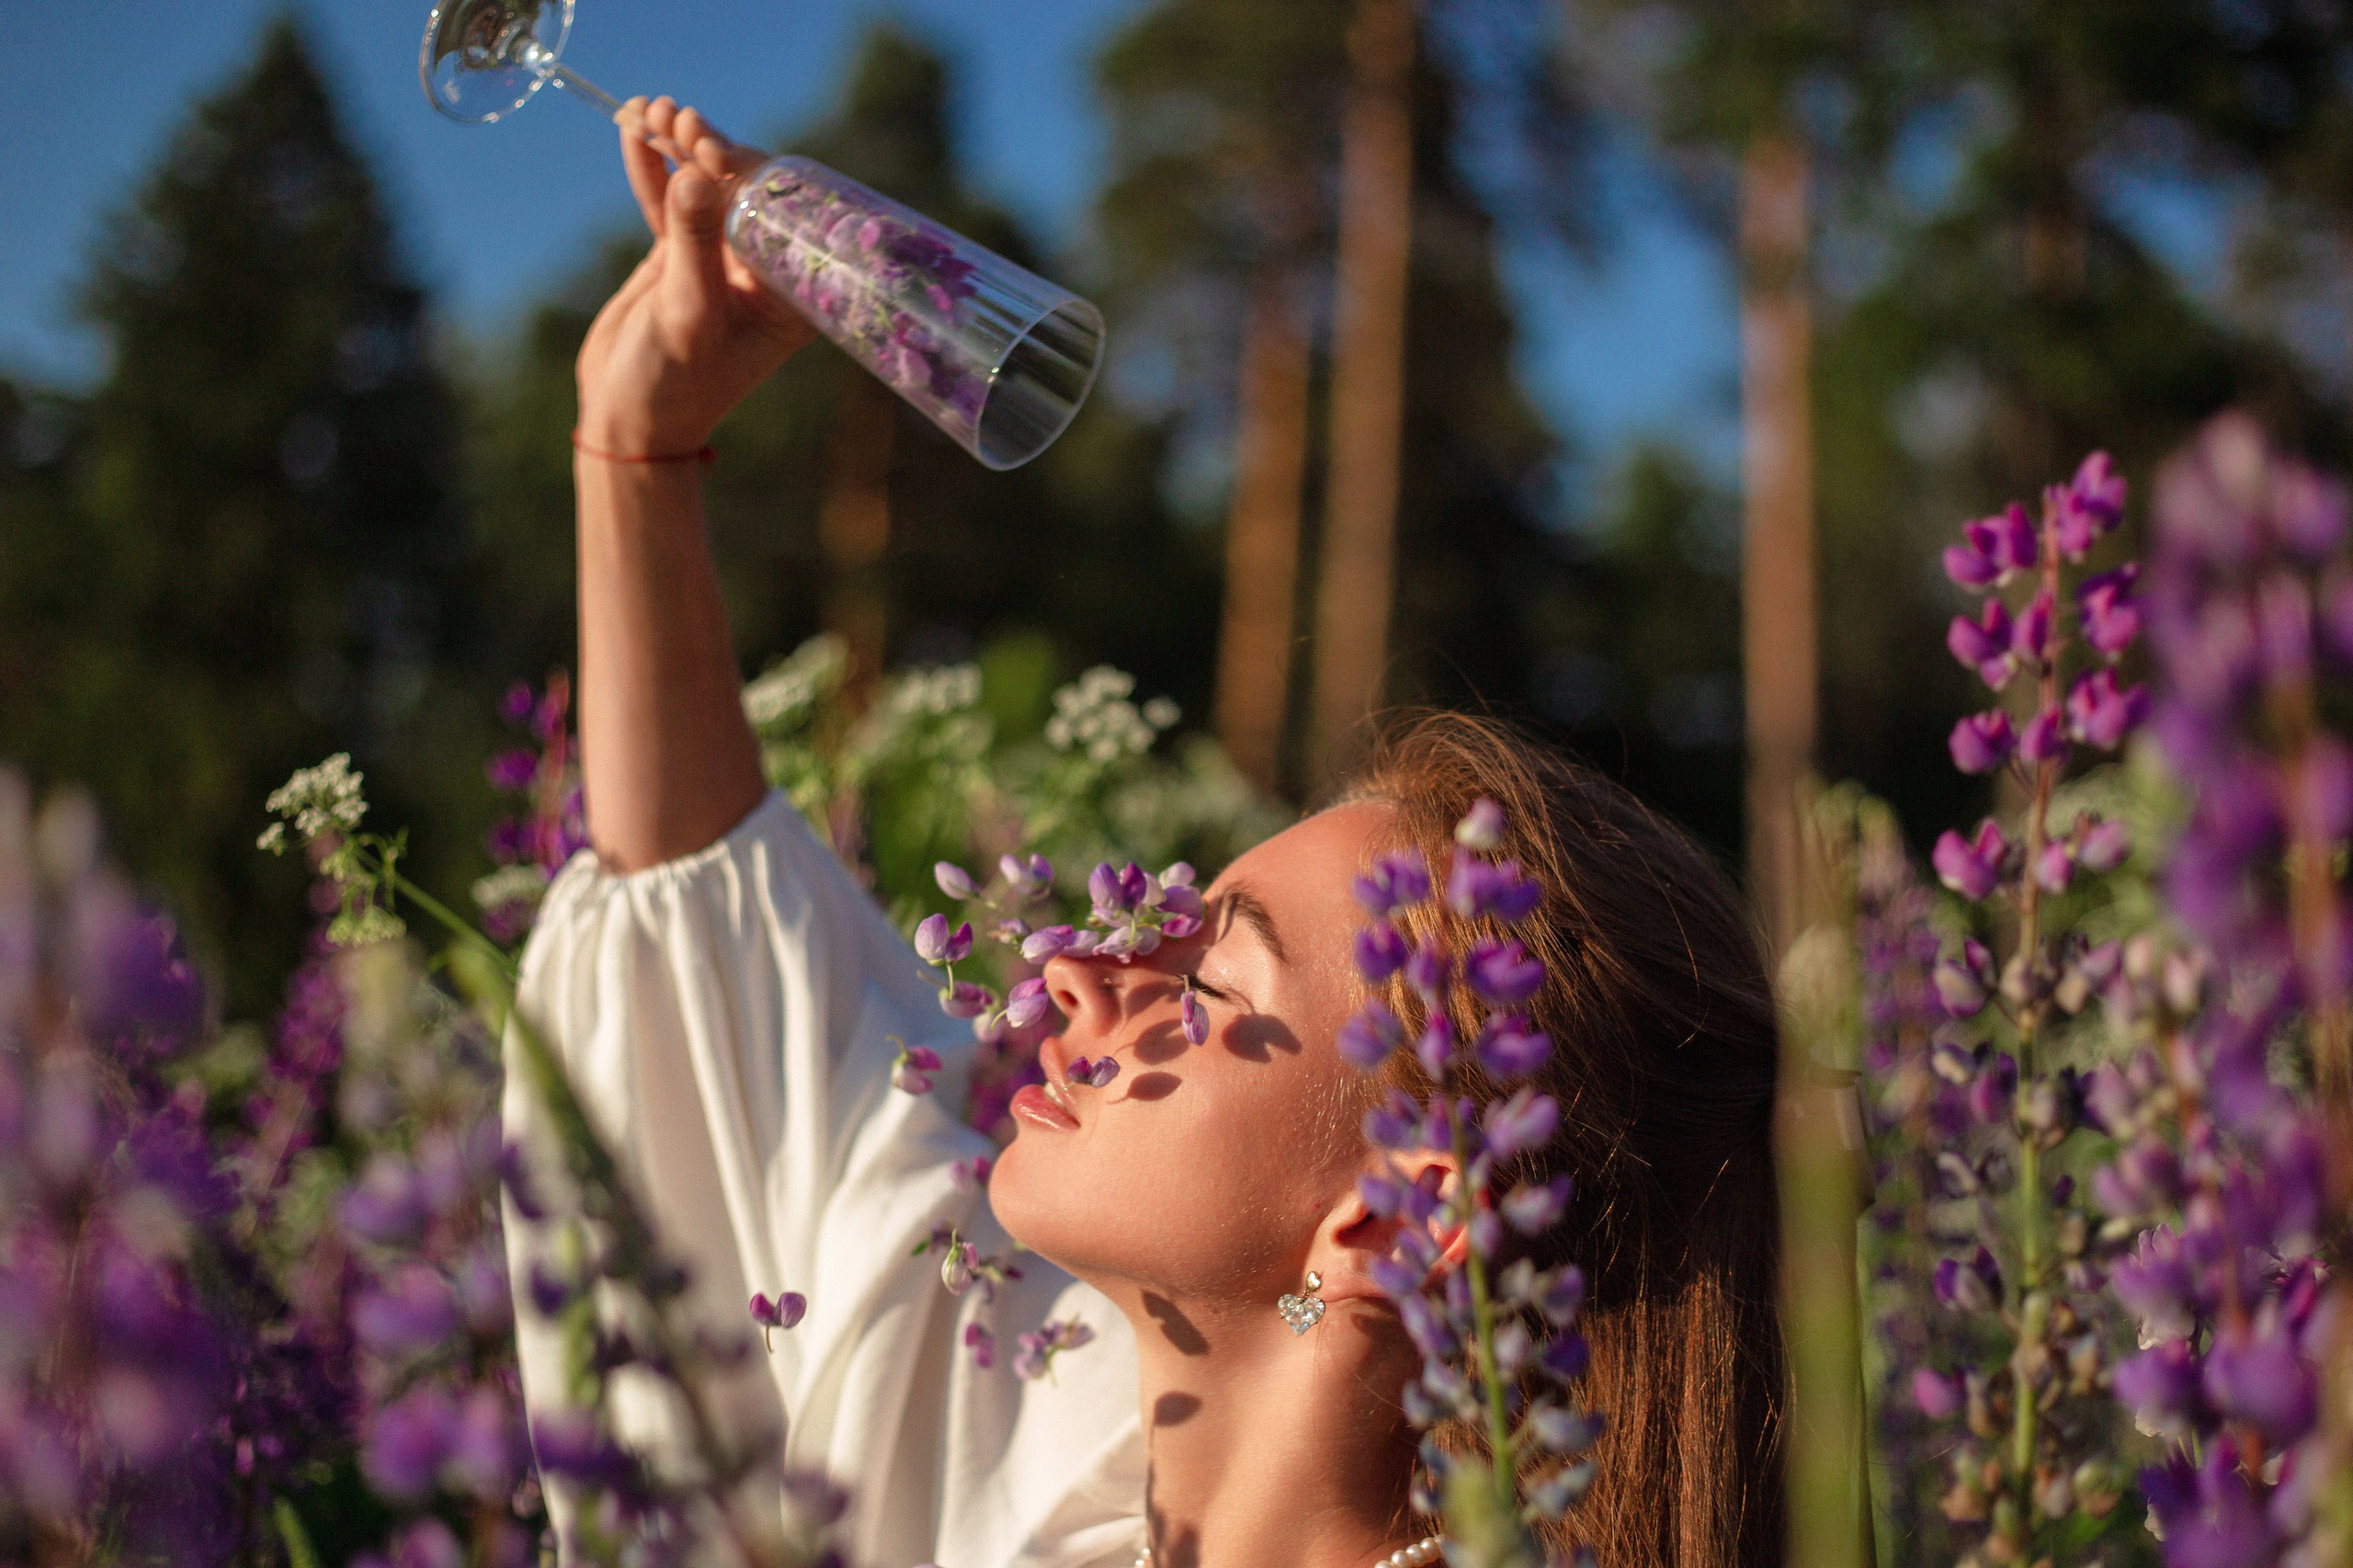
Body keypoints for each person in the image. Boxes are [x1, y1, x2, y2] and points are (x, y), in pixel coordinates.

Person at [506, 98, 1788, 1568]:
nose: (1076, 975)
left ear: (1388, 1231)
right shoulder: (1018, 1426)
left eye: (1211, 980)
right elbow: (722, 992)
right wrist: (639, 449)